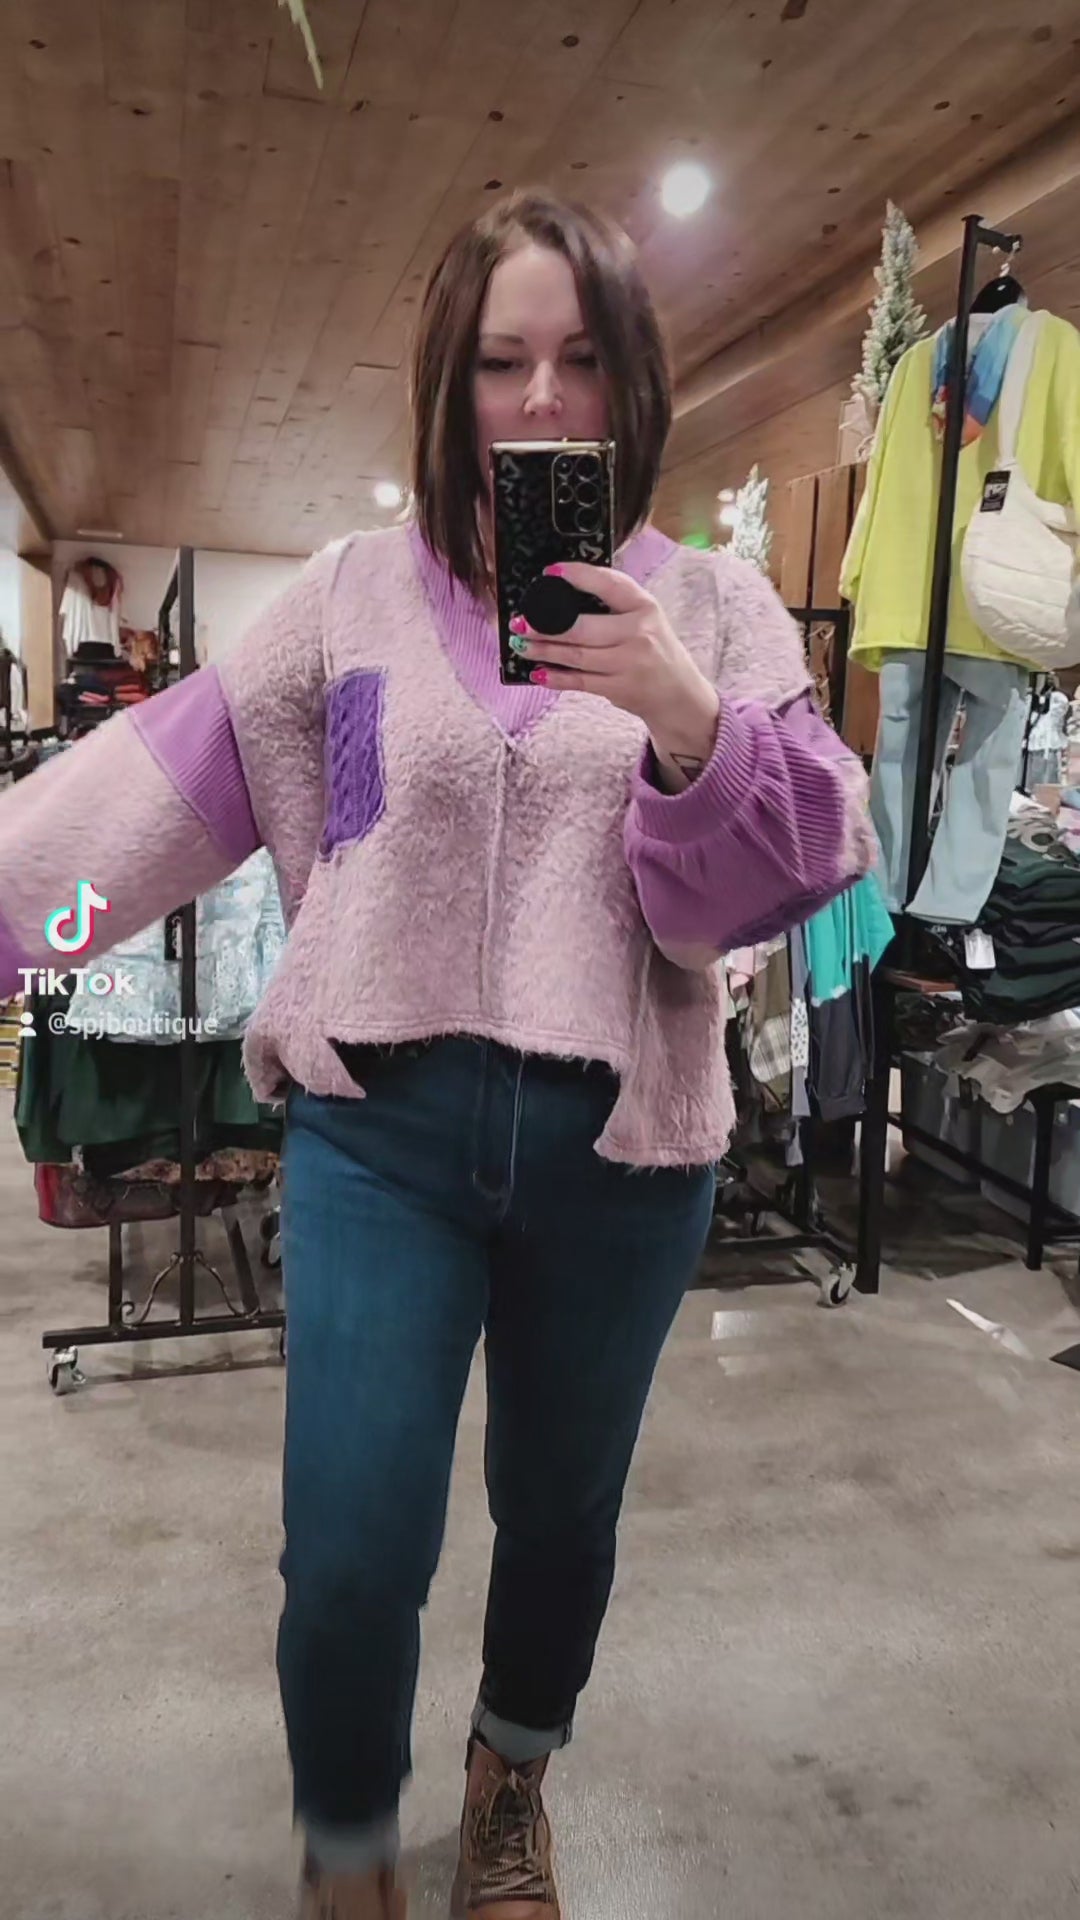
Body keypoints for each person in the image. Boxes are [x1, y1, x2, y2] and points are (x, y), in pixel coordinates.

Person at [0, 190, 873, 1919]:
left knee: (559, 1521)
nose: (541, 399)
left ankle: (507, 1783)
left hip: (622, 1151)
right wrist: (21, 926)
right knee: (348, 1548)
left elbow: (790, 870)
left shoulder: (715, 608)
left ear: (633, 383)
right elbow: (158, 809)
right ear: (447, 384)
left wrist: (684, 716)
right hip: (378, 1136)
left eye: (579, 359)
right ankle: (345, 1849)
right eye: (500, 361)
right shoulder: (346, 602)